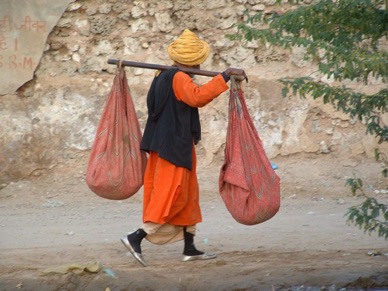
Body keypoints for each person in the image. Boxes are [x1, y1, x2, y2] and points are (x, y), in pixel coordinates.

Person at [120, 29, 247, 267]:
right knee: (170, 192)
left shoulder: (161, 75)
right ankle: (135, 237)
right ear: (195, 61)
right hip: (172, 147)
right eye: (198, 62)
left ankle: (190, 248)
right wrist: (224, 77)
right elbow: (196, 97)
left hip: (170, 144)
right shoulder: (178, 78)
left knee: (188, 194)